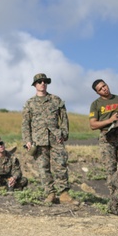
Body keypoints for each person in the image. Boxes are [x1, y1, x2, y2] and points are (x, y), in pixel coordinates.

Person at [21, 73, 74, 204]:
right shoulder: (29, 103)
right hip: (38, 140)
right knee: (43, 168)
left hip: (56, 138)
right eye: (39, 82)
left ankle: (64, 194)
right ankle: (50, 193)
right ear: (35, 85)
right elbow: (25, 124)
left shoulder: (55, 100)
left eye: (45, 81)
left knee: (60, 165)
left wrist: (63, 134)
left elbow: (64, 119)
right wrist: (27, 140)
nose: (42, 83)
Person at [88, 79, 118, 186]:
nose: (104, 89)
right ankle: (114, 198)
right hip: (106, 138)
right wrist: (110, 120)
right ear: (97, 92)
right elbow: (93, 125)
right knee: (110, 170)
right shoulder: (95, 104)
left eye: (104, 86)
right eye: (100, 89)